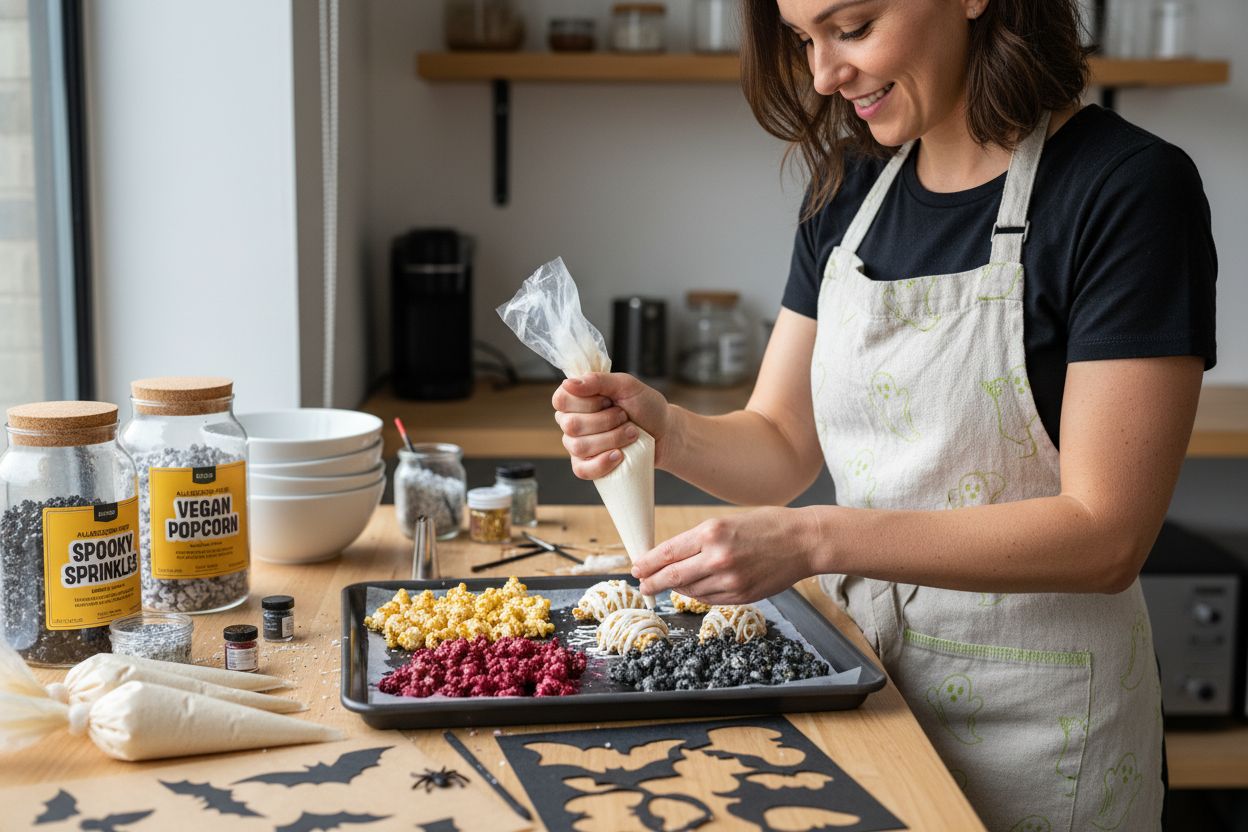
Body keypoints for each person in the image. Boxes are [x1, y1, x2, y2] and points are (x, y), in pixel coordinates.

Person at [552, 0, 1216, 829]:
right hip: (856, 688)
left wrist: (812, 540)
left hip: (1041, 729)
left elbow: (1107, 534)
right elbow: (784, 442)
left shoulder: (1126, 189)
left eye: (853, 28)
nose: (825, 76)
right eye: (805, 40)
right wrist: (667, 430)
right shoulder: (850, 187)